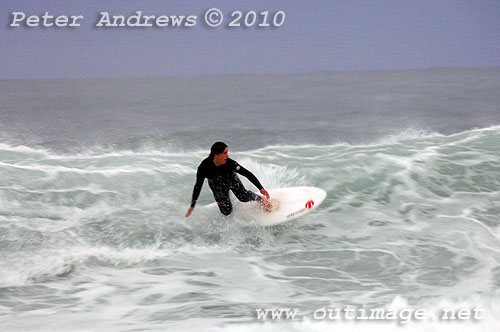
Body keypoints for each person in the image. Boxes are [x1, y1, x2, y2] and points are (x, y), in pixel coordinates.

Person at [185, 142, 271, 217]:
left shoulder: (230, 163)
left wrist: (261, 188)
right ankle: (225, 200)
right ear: (216, 155)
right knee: (226, 211)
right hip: (216, 185)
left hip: (231, 179)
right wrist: (192, 205)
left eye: (227, 152)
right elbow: (198, 186)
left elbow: (247, 173)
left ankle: (261, 199)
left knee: (243, 197)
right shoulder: (204, 167)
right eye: (225, 153)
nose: (227, 155)